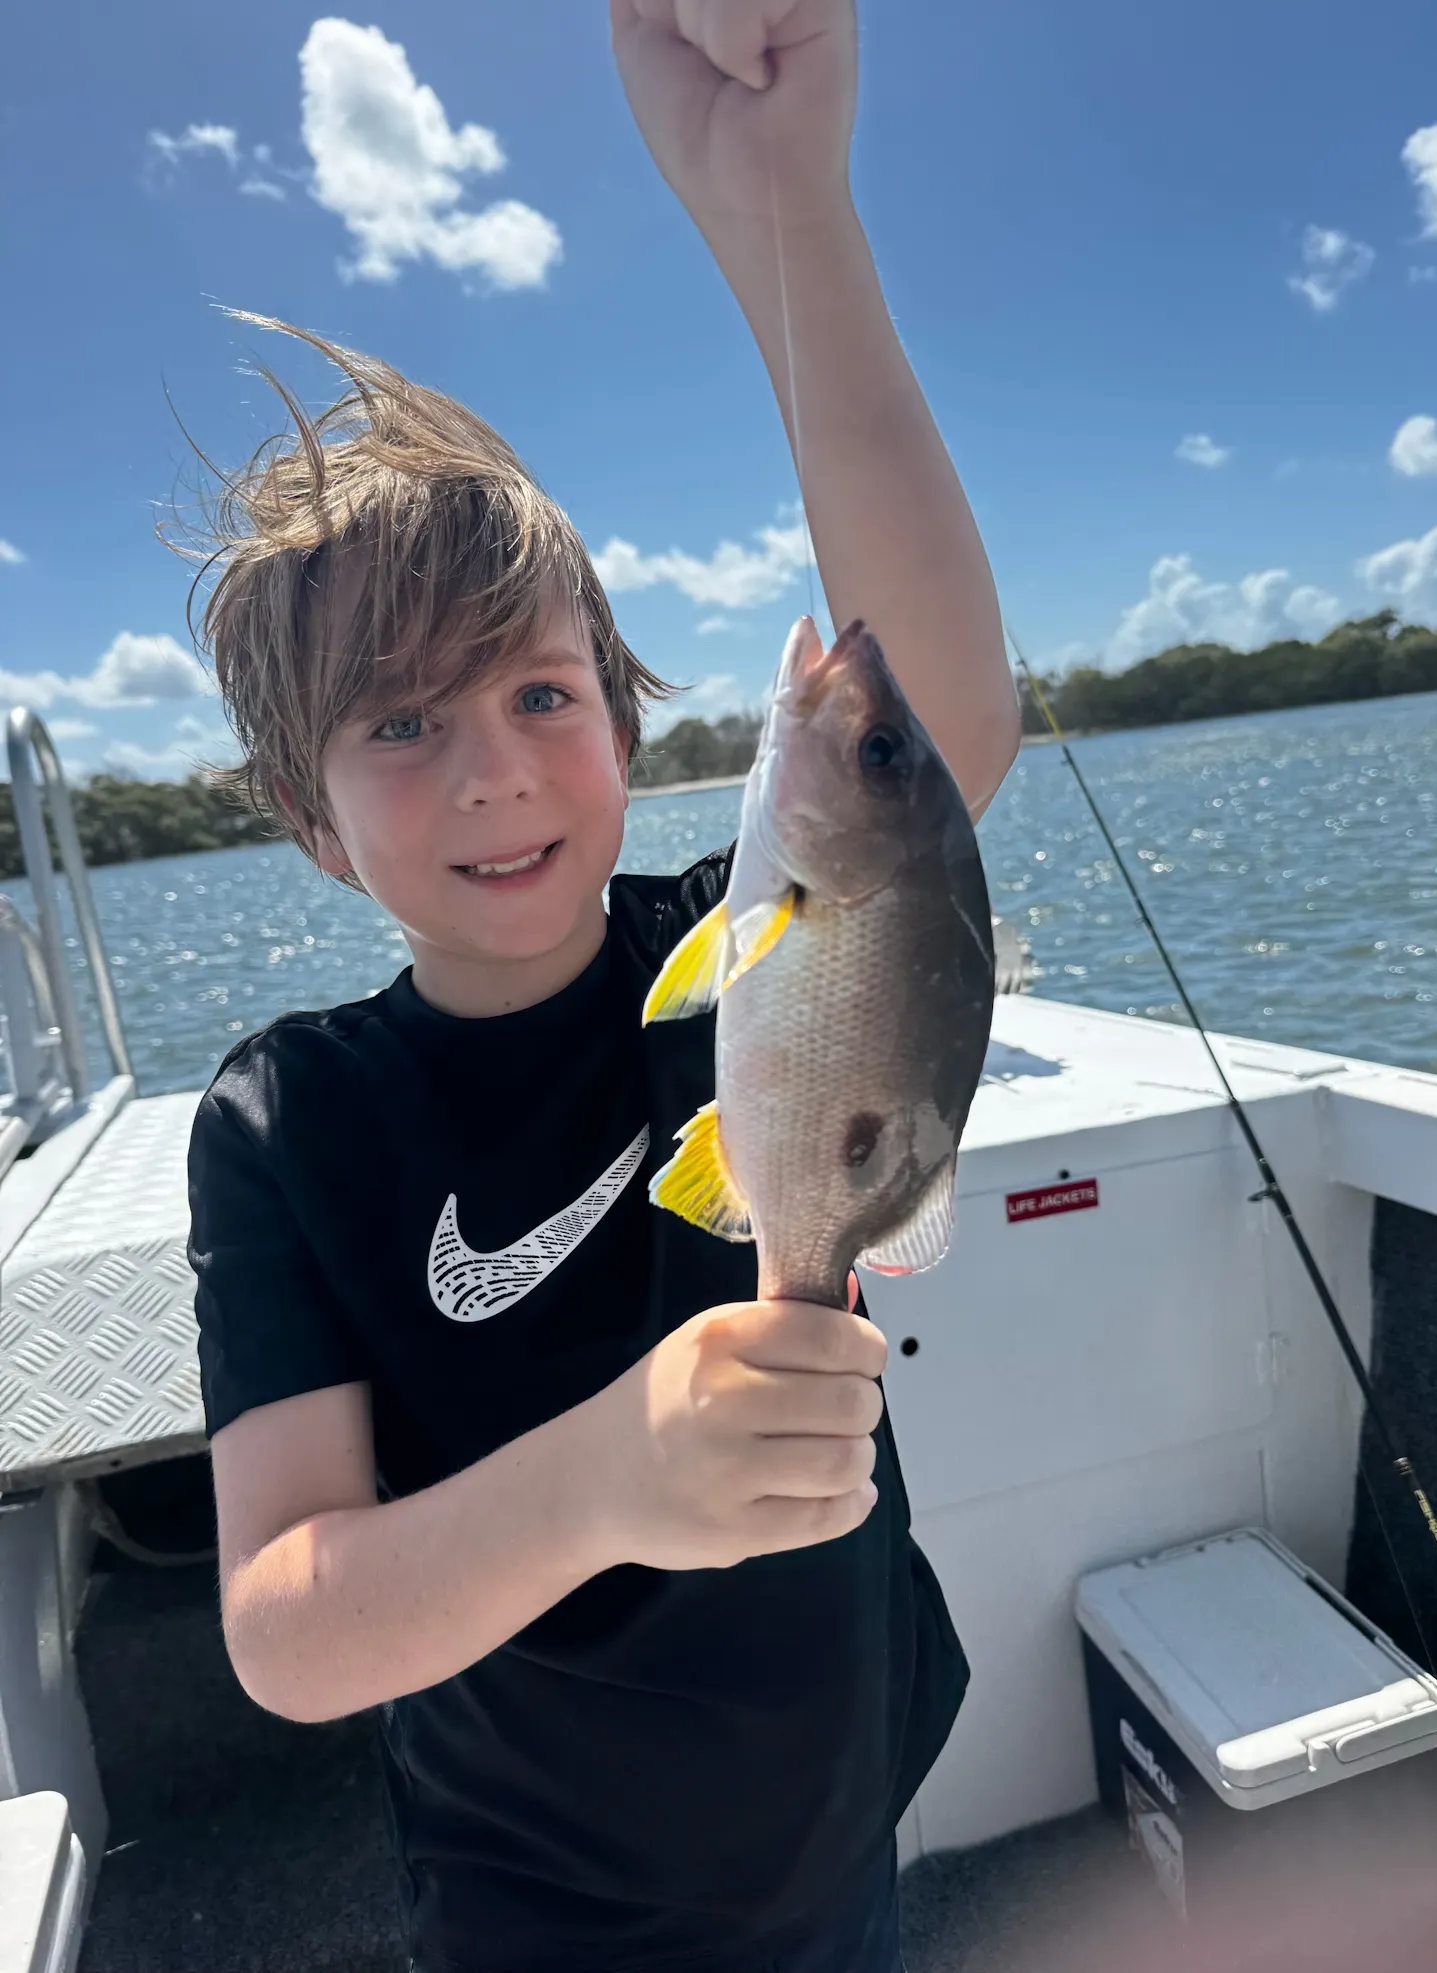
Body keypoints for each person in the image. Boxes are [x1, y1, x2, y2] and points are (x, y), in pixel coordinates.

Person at [186, 3, 1021, 1969]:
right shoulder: (286, 1121)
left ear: (628, 724)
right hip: (540, 1914)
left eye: (540, 694)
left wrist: (786, 200)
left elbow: (934, 720)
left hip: (848, 1823)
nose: (490, 769)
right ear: (311, 819)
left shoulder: (729, 950)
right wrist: (607, 1480)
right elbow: (286, 1627)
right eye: (402, 724)